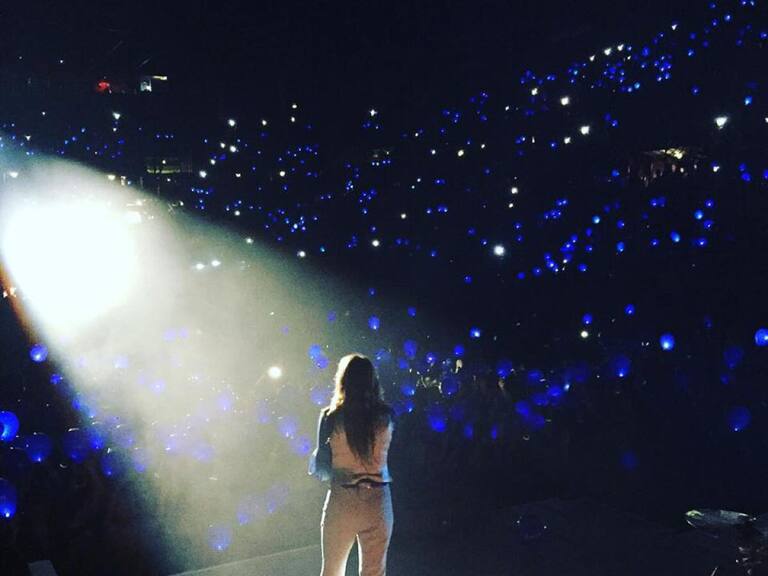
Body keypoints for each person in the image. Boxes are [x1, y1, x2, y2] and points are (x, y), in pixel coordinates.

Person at [309, 353, 395, 576]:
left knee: (332, 570)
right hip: (378, 500)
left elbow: (322, 467)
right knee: (374, 572)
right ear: (373, 381)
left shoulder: (330, 417)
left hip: (343, 499)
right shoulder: (387, 416)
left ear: (343, 380)